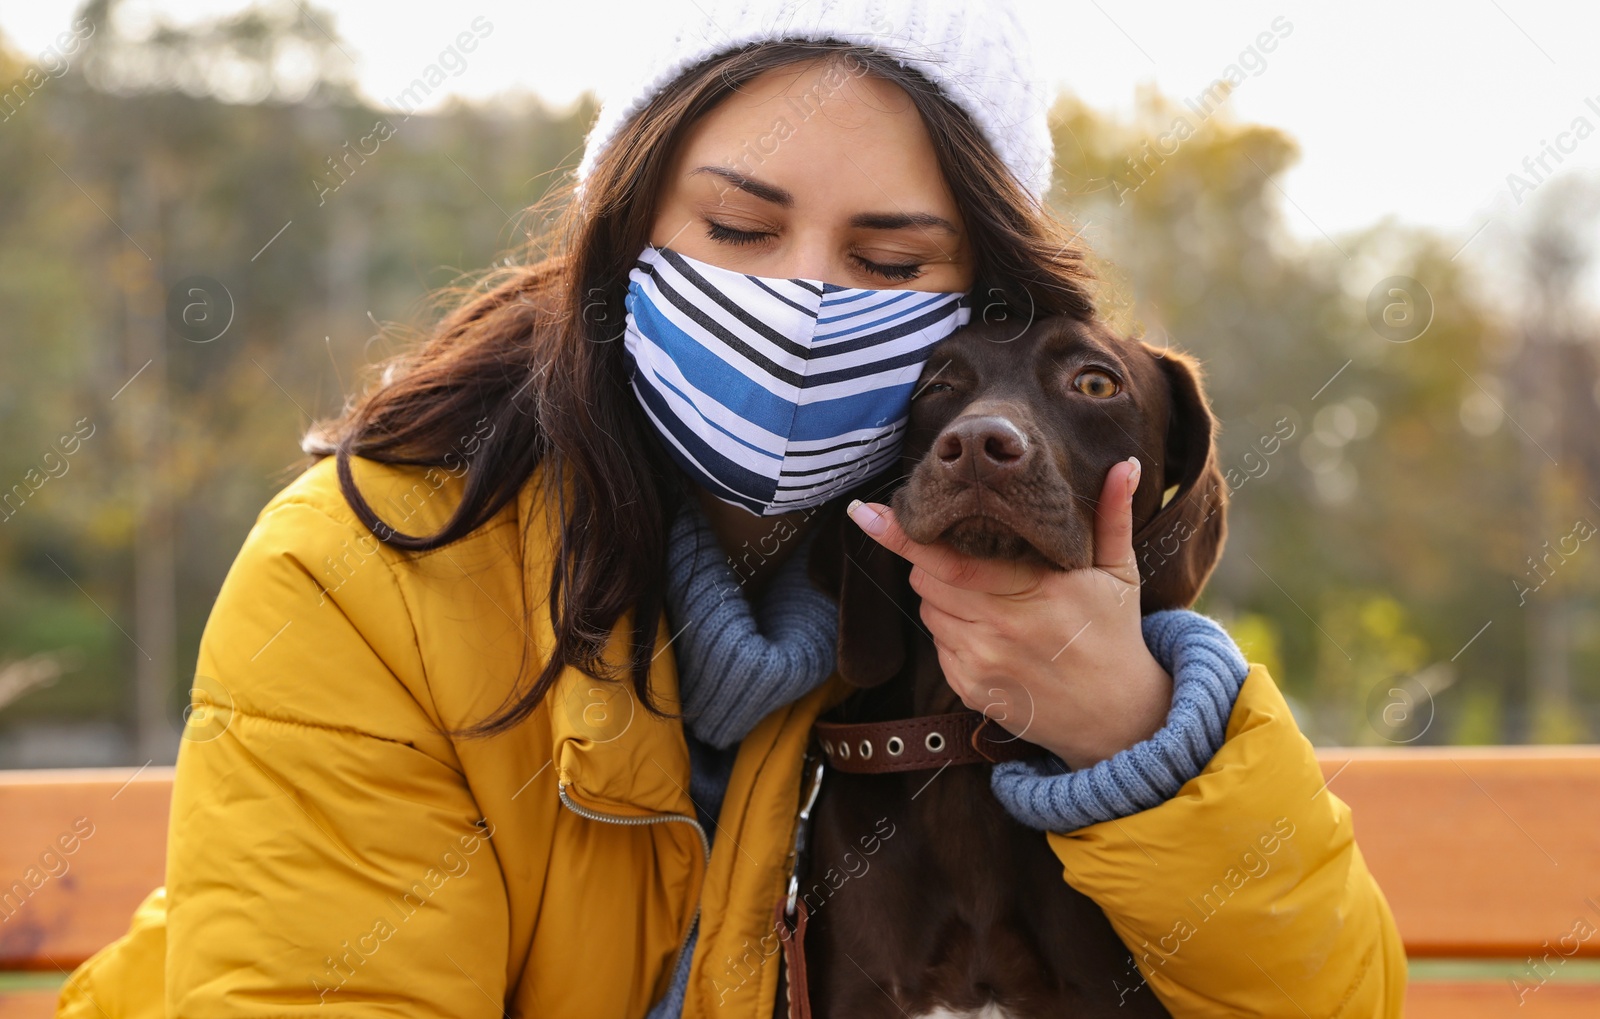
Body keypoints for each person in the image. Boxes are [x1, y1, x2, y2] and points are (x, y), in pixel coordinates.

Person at [58, 1, 1406, 1016]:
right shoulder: (367, 573)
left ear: (976, 304)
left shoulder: (974, 607)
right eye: (739, 233)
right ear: (624, 228)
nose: (807, 308)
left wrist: (1137, 733)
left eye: (889, 260)